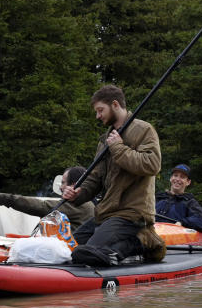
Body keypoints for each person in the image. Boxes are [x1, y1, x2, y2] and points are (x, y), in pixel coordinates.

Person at [61, 85, 163, 263]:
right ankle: (133, 242)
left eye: (100, 110)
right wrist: (78, 193)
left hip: (132, 214)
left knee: (86, 252)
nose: (97, 116)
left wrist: (118, 147)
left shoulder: (144, 130)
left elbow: (152, 165)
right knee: (66, 246)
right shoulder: (104, 140)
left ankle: (144, 242)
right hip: (106, 213)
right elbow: (95, 178)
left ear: (115, 104)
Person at [0, 166, 95, 229]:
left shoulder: (78, 204)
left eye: (63, 183)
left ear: (73, 185)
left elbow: (40, 206)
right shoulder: (89, 203)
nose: (60, 187)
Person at [155, 163, 202, 230]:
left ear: (188, 182)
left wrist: (182, 223)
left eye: (182, 177)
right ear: (171, 178)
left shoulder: (190, 203)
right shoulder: (157, 198)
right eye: (175, 176)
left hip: (172, 236)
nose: (178, 179)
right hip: (151, 233)